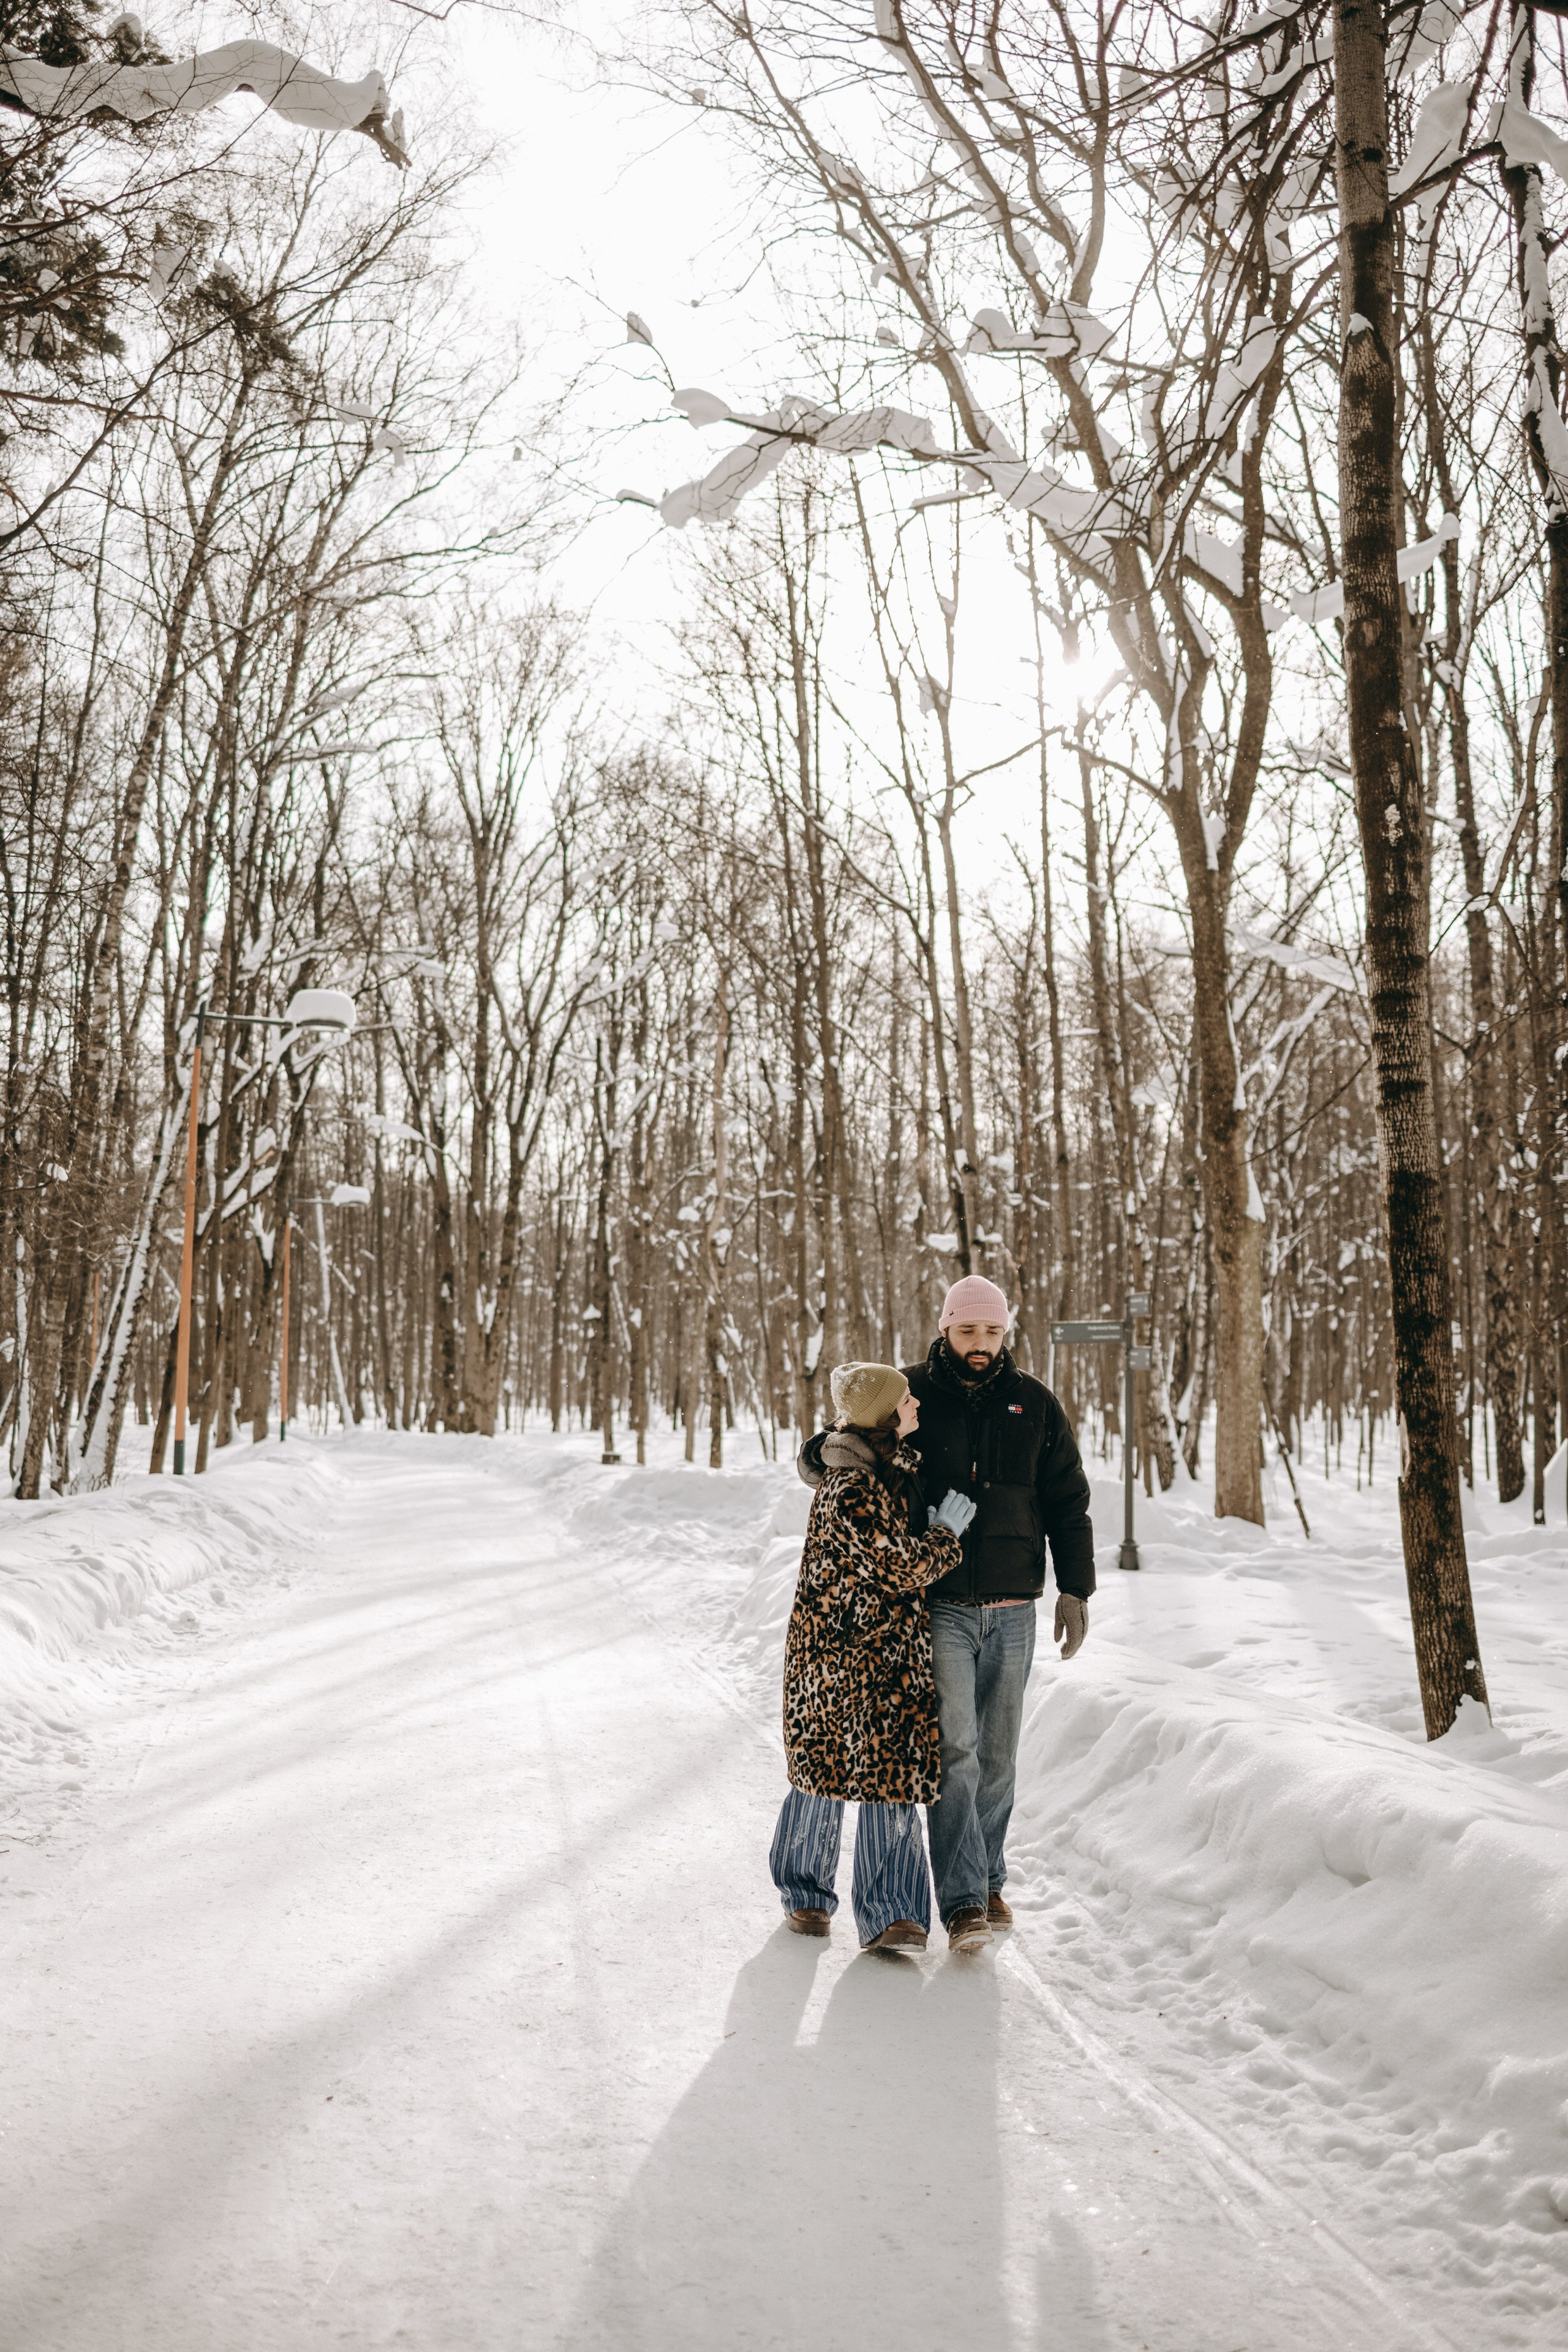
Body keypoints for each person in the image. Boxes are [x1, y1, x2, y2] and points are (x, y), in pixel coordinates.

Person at [905, 1274, 1094, 1951]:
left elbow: (1068, 1501)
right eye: (967, 1331)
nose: (979, 1345)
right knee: (956, 1750)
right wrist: (826, 1451)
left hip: (1015, 1607)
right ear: (945, 1328)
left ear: (1004, 1333)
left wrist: (1076, 1588)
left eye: (991, 1332)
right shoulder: (910, 1395)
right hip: (942, 1605)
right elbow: (836, 1457)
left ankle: (986, 1877)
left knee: (999, 1758)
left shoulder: (1034, 1404)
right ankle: (960, 1904)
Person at [771, 1362, 977, 1954]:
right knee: (828, 1776)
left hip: (880, 1659)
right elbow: (898, 1567)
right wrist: (945, 1537)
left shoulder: (880, 1471)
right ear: (885, 1414)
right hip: (838, 1660)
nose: (916, 1404)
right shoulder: (852, 1488)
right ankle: (807, 1894)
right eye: (906, 1399)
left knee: (886, 1780)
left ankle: (891, 1913)